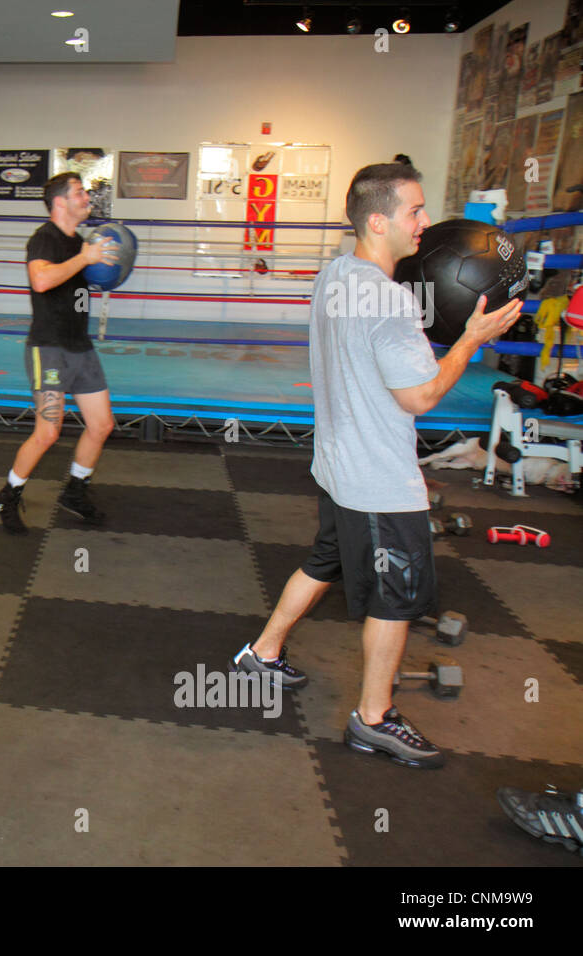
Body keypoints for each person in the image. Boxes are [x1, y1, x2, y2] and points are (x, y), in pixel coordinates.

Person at [229, 163, 521, 769]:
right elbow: (419, 397)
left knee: (326, 560)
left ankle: (263, 652)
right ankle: (373, 719)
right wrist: (470, 339)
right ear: (379, 220)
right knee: (396, 597)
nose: (426, 224)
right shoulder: (389, 301)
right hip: (379, 480)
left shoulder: (337, 273)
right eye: (415, 211)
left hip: (338, 463)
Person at [0, 172, 119, 535]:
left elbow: (78, 278)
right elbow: (42, 280)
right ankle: (9, 494)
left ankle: (75, 491)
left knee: (102, 425)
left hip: (80, 348)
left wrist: (103, 266)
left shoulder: (79, 242)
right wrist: (86, 258)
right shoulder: (44, 239)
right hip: (48, 350)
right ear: (60, 202)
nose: (86, 198)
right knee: (48, 433)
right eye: (79, 193)